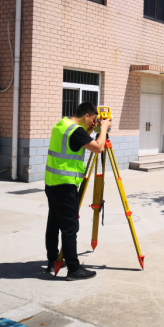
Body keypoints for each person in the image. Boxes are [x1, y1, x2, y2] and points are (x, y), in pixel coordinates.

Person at [44, 102, 113, 281]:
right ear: (87, 116)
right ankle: (74, 269)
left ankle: (53, 259)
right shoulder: (76, 131)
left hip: (52, 183)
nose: (94, 123)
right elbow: (98, 148)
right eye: (94, 120)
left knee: (53, 223)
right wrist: (104, 128)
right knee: (70, 227)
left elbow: (77, 142)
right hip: (65, 185)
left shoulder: (62, 125)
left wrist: (92, 131)